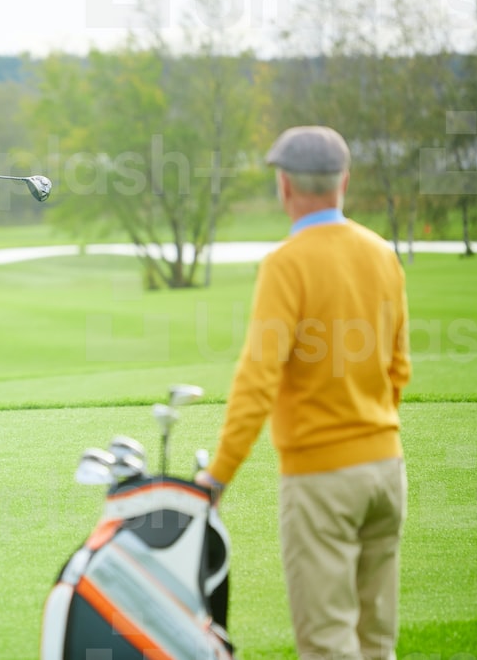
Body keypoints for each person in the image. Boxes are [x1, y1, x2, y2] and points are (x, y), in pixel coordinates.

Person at [194, 126, 412, 660]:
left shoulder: (285, 263)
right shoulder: (382, 253)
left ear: (285, 187)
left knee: (327, 643)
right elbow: (398, 367)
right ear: (345, 182)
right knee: (376, 640)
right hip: (387, 470)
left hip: (322, 481)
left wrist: (218, 474)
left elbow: (257, 380)